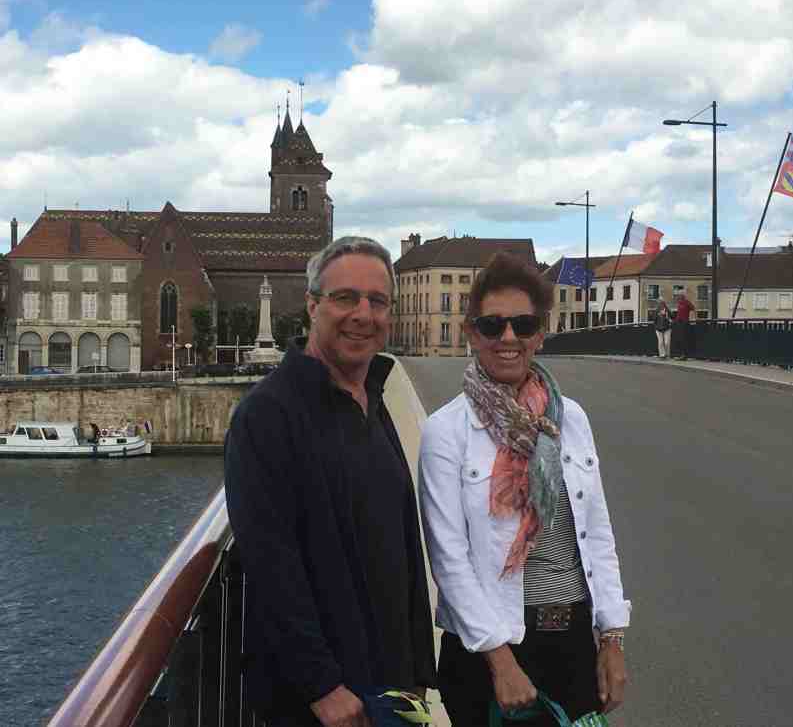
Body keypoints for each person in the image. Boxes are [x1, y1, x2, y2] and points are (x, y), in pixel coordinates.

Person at [224, 236, 436, 727]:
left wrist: (417, 669)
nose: (363, 314)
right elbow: (270, 560)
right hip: (325, 703)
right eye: (345, 298)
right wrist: (321, 685)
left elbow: (403, 546)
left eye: (377, 301)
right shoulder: (268, 414)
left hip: (391, 687)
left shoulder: (371, 396)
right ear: (313, 305)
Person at [419, 253, 630, 726]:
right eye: (492, 326)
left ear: (540, 333)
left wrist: (612, 638)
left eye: (523, 324)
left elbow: (597, 533)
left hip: (572, 644)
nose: (508, 337)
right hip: (488, 650)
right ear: (473, 333)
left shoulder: (570, 419)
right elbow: (449, 558)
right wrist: (501, 662)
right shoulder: (446, 431)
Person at [672, 293, 695, 360]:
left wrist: (692, 318)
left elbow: (693, 308)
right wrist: (676, 320)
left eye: (680, 298)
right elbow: (679, 314)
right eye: (679, 298)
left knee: (684, 339)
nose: (679, 299)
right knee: (680, 339)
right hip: (679, 323)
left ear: (683, 297)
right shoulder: (679, 304)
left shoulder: (687, 302)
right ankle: (681, 354)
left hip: (684, 323)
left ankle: (684, 355)